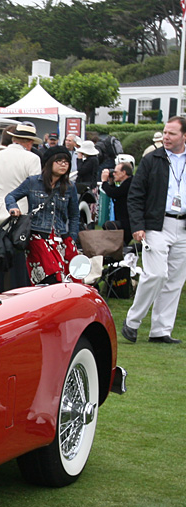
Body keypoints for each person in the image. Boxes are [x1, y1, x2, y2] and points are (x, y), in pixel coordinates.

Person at [122, 115, 186, 344]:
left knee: (175, 281)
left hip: (183, 226)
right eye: (165, 132)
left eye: (172, 133)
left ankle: (160, 331)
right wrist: (138, 226)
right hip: (156, 225)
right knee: (157, 274)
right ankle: (132, 320)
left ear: (184, 136)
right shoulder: (152, 159)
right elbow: (135, 195)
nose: (166, 137)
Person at [5, 145, 81, 285]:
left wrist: (72, 238)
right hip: (37, 236)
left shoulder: (70, 187)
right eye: (59, 161)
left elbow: (74, 215)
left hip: (61, 237)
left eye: (66, 162)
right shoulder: (33, 182)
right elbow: (10, 196)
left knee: (69, 277)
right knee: (49, 276)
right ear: (49, 162)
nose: (63, 164)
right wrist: (13, 208)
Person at [0, 123, 42, 229]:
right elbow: (36, 190)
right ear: (30, 142)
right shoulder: (33, 159)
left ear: (14, 139)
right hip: (21, 216)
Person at [101, 162, 134, 245]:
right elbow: (118, 194)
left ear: (124, 173)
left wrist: (104, 182)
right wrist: (111, 183)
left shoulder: (130, 183)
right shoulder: (128, 182)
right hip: (125, 219)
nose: (114, 174)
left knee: (108, 225)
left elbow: (114, 193)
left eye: (116, 172)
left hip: (128, 222)